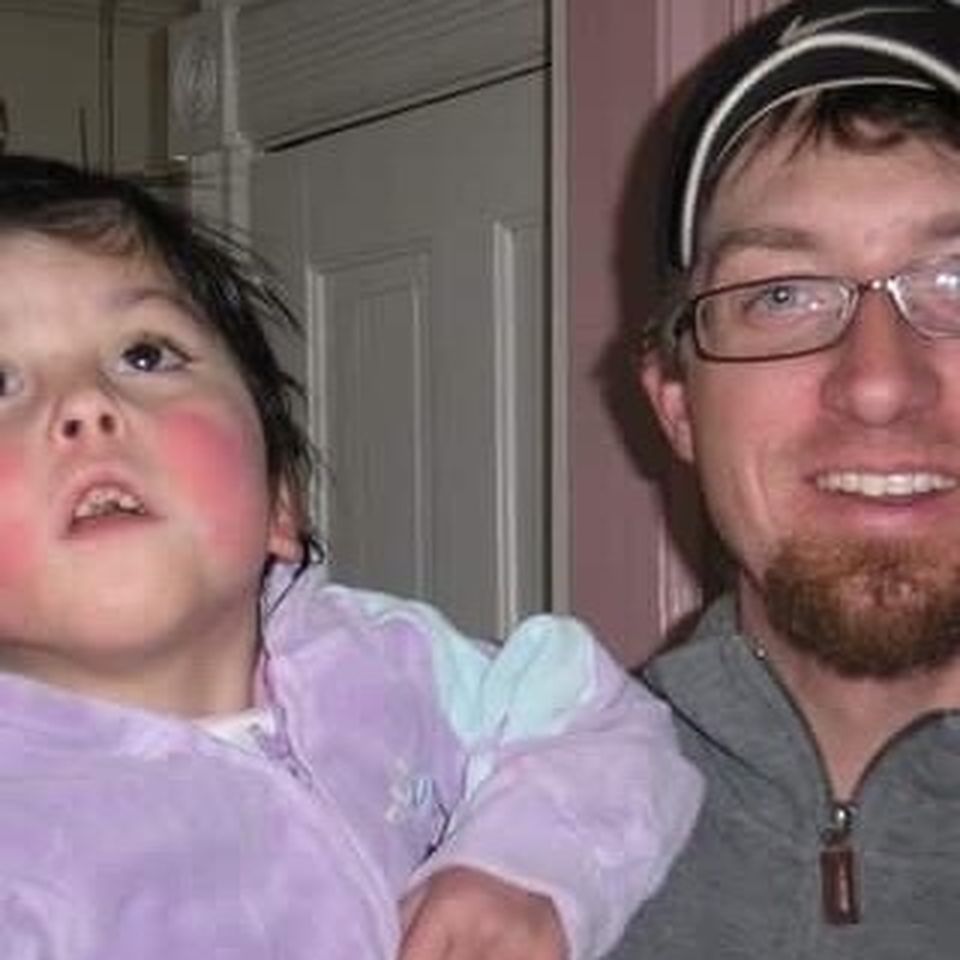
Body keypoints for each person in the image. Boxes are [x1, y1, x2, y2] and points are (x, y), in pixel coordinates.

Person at [0, 154, 703, 960]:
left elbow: (605, 726)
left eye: (145, 354)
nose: (86, 405)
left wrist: (526, 864)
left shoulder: (393, 661)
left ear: (281, 501)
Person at [607, 1, 960, 957]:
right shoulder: (497, 848)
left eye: (957, 281)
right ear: (676, 405)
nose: (879, 383)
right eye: (782, 294)